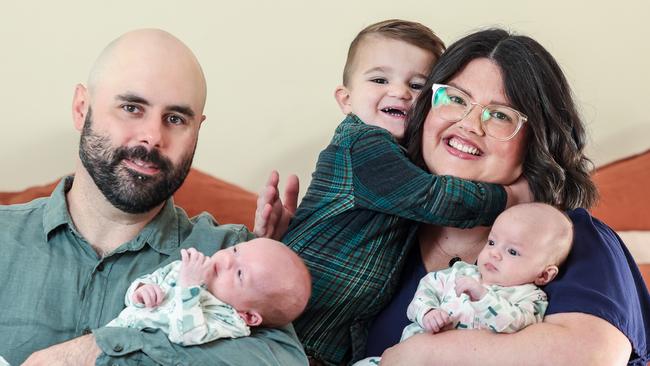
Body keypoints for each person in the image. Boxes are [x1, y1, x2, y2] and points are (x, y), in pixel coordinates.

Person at [260, 28, 650, 365]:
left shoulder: (568, 236)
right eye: (456, 99)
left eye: (500, 115)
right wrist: (280, 262)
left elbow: (593, 355)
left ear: (535, 143)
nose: (469, 124)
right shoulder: (387, 236)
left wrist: (424, 355)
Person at [0, 29, 308, 365]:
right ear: (81, 108)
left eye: (175, 119)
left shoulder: (230, 255)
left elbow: (280, 360)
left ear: (196, 132)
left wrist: (96, 350)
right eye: (132, 108)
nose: (152, 137)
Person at [255, 20, 531, 365]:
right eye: (379, 79)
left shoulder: (407, 162)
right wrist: (512, 198)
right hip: (281, 330)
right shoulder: (363, 145)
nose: (400, 92)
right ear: (346, 99)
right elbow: (434, 198)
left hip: (318, 344)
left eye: (417, 85)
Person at [354, 202, 573, 365]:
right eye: (492, 242)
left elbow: (515, 324)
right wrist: (427, 312)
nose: (494, 253)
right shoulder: (460, 272)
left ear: (544, 275)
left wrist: (484, 297)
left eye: (512, 251)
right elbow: (425, 291)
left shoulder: (530, 298)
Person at [106, 238, 311, 346]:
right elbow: (145, 285)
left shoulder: (228, 320)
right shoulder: (185, 268)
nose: (227, 260)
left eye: (240, 274)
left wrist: (190, 287)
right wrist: (141, 291)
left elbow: (187, 335)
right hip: (109, 336)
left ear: (248, 315)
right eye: (236, 250)